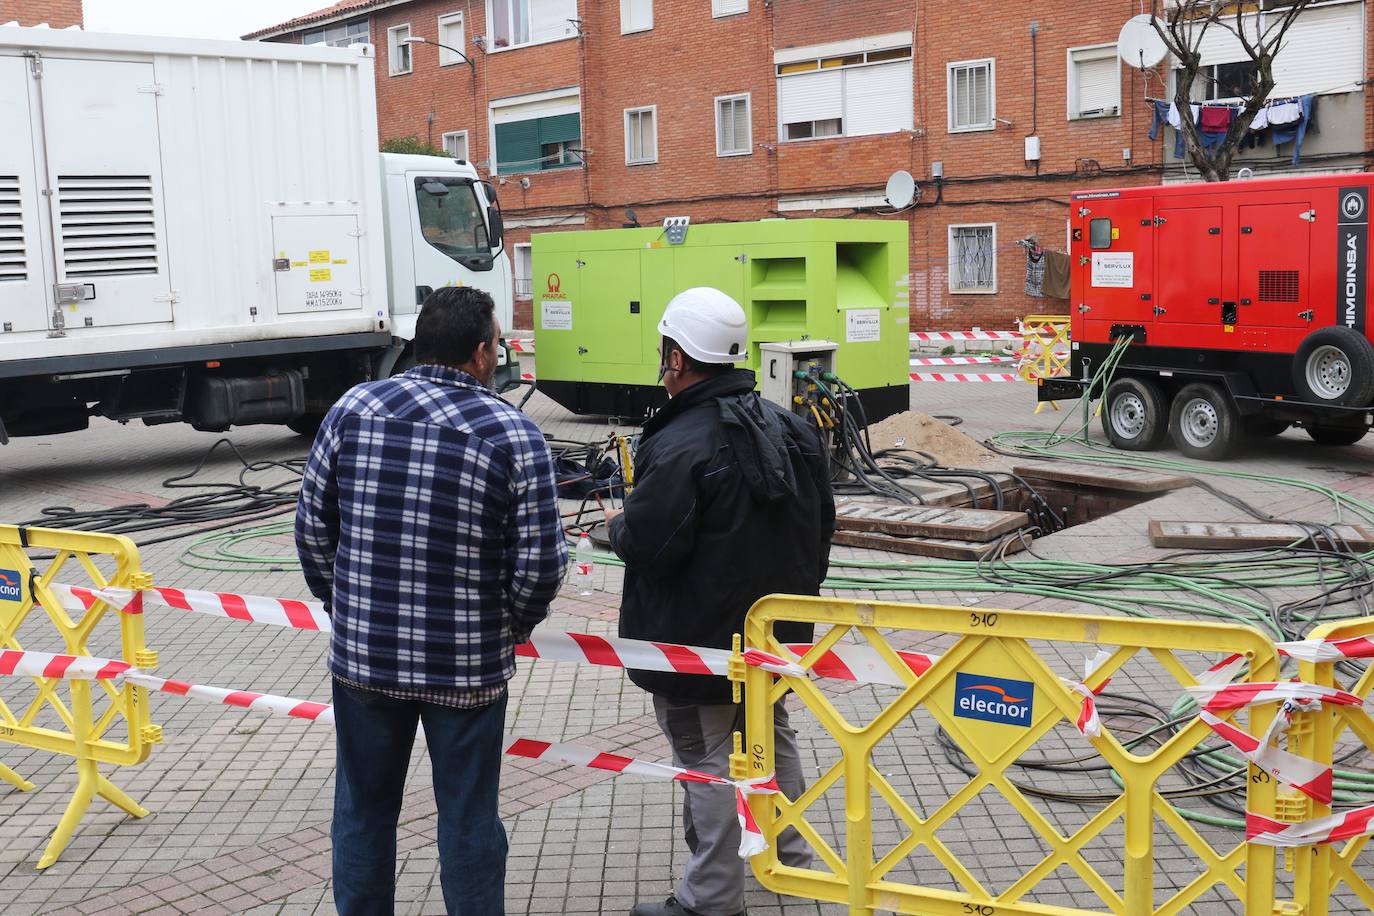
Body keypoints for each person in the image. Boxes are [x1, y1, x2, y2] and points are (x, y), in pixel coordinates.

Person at [295, 286, 567, 916]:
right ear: (480, 353)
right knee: (469, 818)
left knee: (362, 811)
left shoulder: (352, 410)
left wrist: (346, 607)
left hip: (366, 662)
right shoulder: (514, 434)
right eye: (496, 344)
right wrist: (512, 625)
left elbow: (312, 530)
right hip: (465, 669)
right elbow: (541, 565)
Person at [605, 288, 836, 916]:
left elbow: (653, 544)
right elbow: (822, 531)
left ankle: (710, 897)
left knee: (706, 757)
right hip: (774, 636)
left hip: (695, 644)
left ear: (676, 358)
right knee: (772, 733)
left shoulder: (682, 442)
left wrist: (616, 525)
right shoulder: (789, 426)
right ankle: (787, 858)